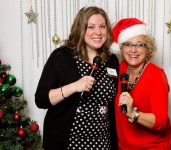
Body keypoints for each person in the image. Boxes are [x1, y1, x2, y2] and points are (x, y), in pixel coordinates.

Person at [35, 6, 119, 150]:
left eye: (102, 27)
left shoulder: (111, 60)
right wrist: (74, 86)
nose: (98, 32)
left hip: (102, 142)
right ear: (81, 29)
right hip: (68, 141)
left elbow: (111, 105)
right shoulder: (62, 56)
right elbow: (41, 99)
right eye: (91, 27)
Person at [110, 18, 171, 150]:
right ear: (122, 48)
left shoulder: (156, 75)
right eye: (128, 44)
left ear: (148, 48)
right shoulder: (122, 68)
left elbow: (161, 122)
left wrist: (133, 113)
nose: (133, 50)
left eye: (139, 45)